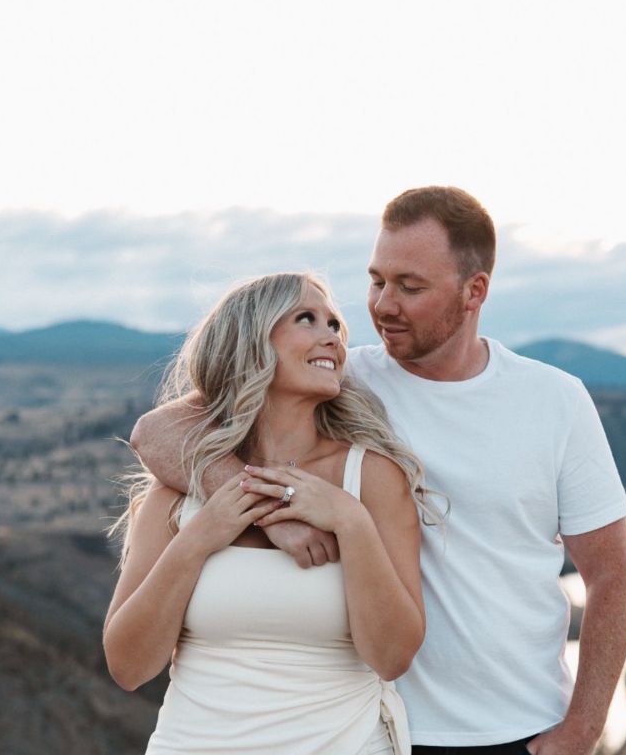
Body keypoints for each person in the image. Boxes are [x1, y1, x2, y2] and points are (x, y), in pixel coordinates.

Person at [132, 187, 626, 755]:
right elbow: (155, 432)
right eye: (377, 281)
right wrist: (272, 515)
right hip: (375, 730)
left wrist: (583, 728)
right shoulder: (338, 380)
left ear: (475, 291)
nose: (382, 305)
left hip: (521, 728)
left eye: (410, 287)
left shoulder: (554, 401)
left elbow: (612, 577)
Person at [105, 272, 435, 754]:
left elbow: (393, 657)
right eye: (307, 319)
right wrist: (200, 537)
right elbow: (128, 667)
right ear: (251, 343)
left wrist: (350, 521)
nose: (332, 337)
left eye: (334, 325)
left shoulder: (370, 477)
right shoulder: (179, 489)